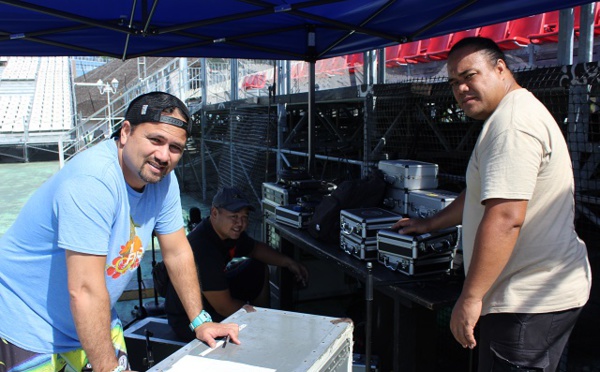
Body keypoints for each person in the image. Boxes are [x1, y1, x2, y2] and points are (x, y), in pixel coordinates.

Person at [0, 92, 239, 372]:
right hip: (30, 325)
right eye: (155, 140)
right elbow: (85, 290)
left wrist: (200, 320)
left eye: (175, 147)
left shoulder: (164, 180)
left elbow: (176, 251)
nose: (164, 155)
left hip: (95, 315)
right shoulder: (92, 181)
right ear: (125, 132)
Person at [392, 37, 591, 371]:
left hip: (527, 302)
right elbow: (481, 193)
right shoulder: (510, 115)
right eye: (455, 82)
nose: (461, 88)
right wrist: (429, 224)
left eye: (470, 76)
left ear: (501, 68)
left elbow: (505, 218)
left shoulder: (510, 126)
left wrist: (470, 298)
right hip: (533, 296)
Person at [165, 186, 309, 341]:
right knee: (246, 315)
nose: (240, 223)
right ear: (214, 213)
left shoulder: (228, 232)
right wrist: (259, 317)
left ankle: (261, 319)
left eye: (244, 217)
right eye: (234, 216)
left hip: (211, 297)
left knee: (257, 268)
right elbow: (224, 306)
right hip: (190, 319)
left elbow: (255, 249)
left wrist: (288, 262)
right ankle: (260, 326)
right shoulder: (203, 248)